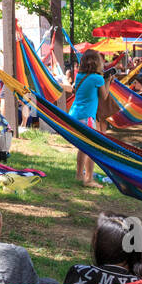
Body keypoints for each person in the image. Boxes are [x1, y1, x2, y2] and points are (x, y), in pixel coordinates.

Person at [61, 49, 106, 188]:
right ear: (97, 63)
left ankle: (79, 174)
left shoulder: (80, 76)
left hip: (74, 114)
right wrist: (108, 81)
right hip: (87, 116)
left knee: (82, 147)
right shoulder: (98, 79)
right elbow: (104, 96)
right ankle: (88, 179)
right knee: (91, 148)